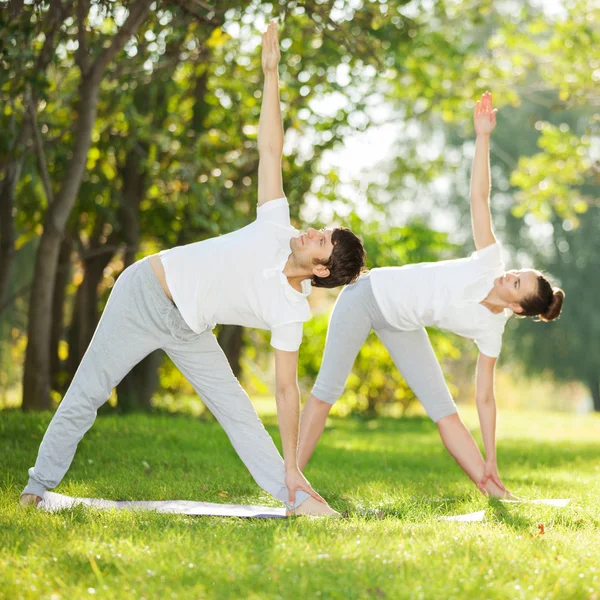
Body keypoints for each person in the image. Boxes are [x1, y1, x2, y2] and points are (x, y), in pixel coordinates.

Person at [20, 22, 366, 516]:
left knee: (239, 412)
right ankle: (37, 485)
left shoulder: (291, 312)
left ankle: (292, 493)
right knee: (89, 391)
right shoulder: (275, 223)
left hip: (188, 329)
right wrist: (270, 75)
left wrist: (293, 460)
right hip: (145, 292)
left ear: (321, 271)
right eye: (322, 230)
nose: (314, 232)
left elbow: (286, 391)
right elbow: (271, 148)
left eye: (323, 242)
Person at [297, 92, 565, 497]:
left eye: (515, 282)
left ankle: (493, 487)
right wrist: (483, 137)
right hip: (367, 297)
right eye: (516, 273)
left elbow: (485, 400)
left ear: (514, 306)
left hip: (403, 322)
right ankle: (291, 480)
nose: (507, 274)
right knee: (326, 393)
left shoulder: (491, 332)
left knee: (446, 413)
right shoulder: (488, 262)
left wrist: (491, 454)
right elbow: (479, 198)